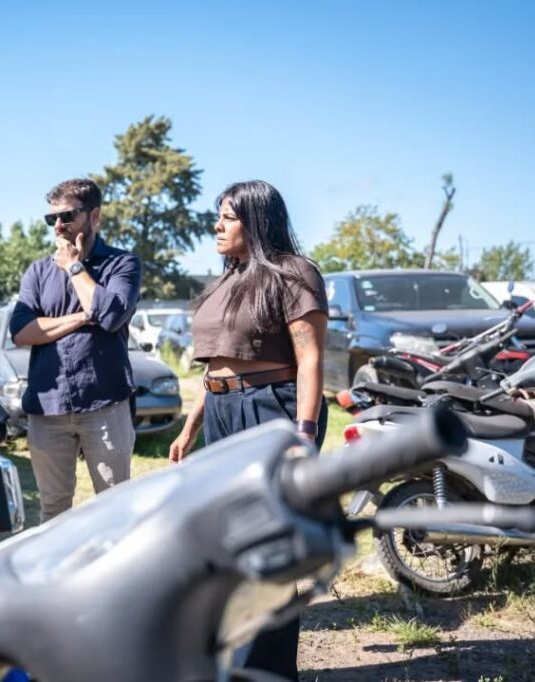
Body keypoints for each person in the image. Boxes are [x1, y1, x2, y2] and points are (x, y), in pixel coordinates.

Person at [168, 179, 328, 681]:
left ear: (257, 221)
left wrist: (302, 434)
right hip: (222, 415)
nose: (217, 225)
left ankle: (273, 671)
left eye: (229, 216)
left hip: (270, 412)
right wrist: (191, 427)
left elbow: (310, 357)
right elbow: (214, 366)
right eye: (217, 215)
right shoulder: (223, 281)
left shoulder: (293, 273)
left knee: (271, 546)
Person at [10, 178, 142, 522]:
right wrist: (84, 316)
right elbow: (22, 332)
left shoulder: (122, 264)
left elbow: (111, 315)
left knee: (115, 508)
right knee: (53, 510)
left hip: (105, 403)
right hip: (47, 408)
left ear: (94, 216)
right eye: (51, 218)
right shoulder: (37, 272)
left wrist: (74, 267)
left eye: (67, 216)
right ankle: (56, 577)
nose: (58, 226)